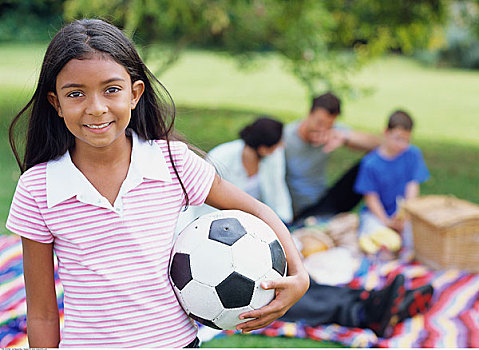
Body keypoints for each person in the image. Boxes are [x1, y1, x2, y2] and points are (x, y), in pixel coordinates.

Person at [5, 19, 309, 348]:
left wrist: (300, 275)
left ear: (135, 93)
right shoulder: (37, 188)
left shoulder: (172, 162)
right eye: (76, 93)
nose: (96, 108)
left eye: (111, 89)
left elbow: (258, 210)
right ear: (56, 104)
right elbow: (42, 314)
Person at [176, 116, 293, 232]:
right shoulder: (221, 157)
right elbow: (203, 199)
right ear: (263, 149)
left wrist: (284, 222)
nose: (282, 146)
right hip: (216, 223)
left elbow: (278, 190)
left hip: (256, 221)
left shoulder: (274, 157)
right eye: (279, 143)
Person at [283, 92, 381, 222]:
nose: (322, 129)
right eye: (319, 123)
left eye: (328, 125)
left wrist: (344, 137)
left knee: (370, 162)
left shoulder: (332, 133)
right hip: (292, 209)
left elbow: (379, 145)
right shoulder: (287, 137)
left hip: (322, 201)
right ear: (309, 113)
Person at [354, 110, 430, 253]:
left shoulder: (412, 154)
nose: (402, 145)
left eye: (407, 140)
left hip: (403, 213)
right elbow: (371, 198)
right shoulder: (370, 163)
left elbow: (412, 188)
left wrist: (406, 215)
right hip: (377, 215)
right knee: (378, 240)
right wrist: (387, 221)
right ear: (386, 132)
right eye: (398, 139)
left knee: (417, 239)